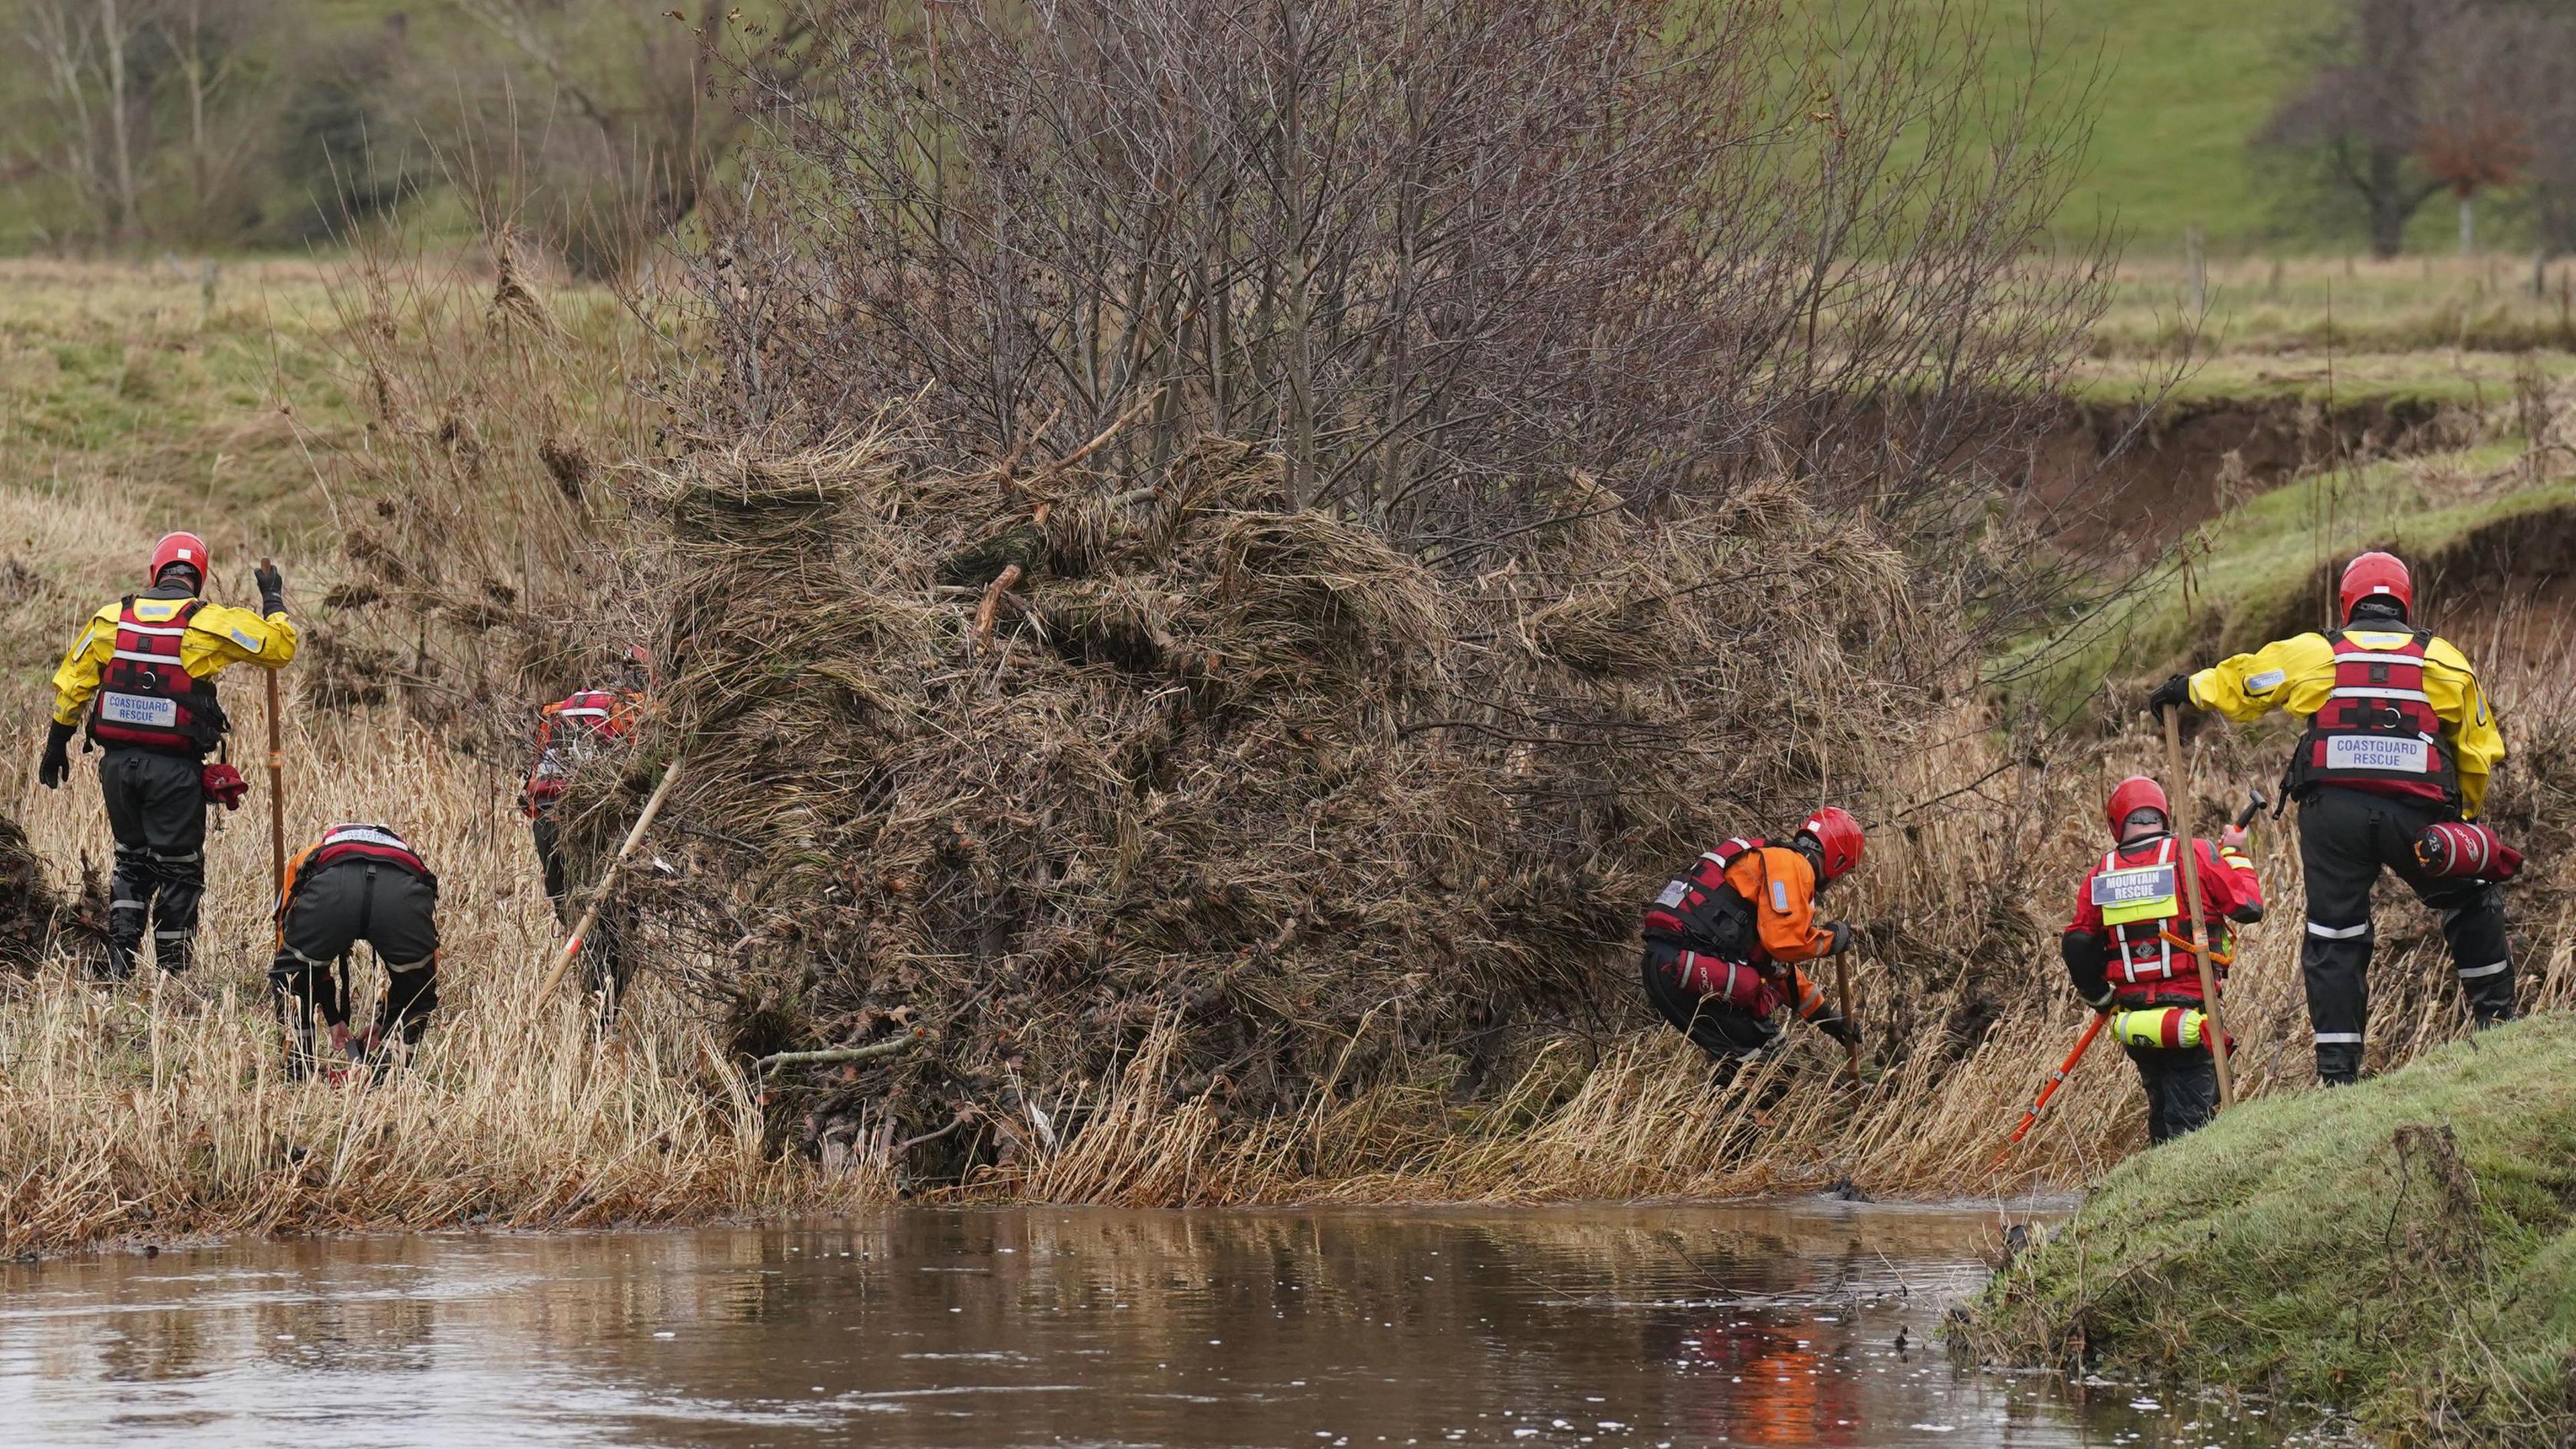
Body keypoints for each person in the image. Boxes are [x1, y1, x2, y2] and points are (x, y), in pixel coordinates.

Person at [2147, 550, 2511, 1085]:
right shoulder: (2447, 662)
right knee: (2472, 901)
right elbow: (2479, 752)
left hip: (2332, 818)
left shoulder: (2316, 652)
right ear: (2405, 602)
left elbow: (2249, 682)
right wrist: (2466, 822)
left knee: (2334, 935)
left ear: (2348, 602)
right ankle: (2498, 1024)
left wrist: (2189, 688)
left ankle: (2338, 1074)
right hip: (2421, 819)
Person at [40, 533, 296, 979]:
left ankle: (120, 964)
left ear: (154, 572)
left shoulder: (110, 620)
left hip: (117, 769)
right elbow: (279, 648)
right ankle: (173, 975)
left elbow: (72, 685)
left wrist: (56, 744)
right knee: (179, 871)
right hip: (175, 774)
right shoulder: (208, 622)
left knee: (131, 861)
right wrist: (272, 599)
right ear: (198, 578)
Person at [2061, 775, 2265, 1143]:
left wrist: (2100, 999)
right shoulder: (2196, 853)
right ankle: (2188, 1187)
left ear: (2115, 822)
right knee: (2190, 1122)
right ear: (2164, 815)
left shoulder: (2100, 874)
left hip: (2134, 1017)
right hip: (2190, 1012)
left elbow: (2078, 944)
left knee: (2162, 1108)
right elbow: (2249, 907)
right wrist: (2234, 854)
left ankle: (2157, 1178)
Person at [1638, 806, 1864, 1073]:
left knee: (1746, 1063)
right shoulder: (1792, 865)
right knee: (1774, 1068)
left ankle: (1726, 1110)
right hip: (1685, 968)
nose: (1836, 881)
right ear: (1837, 861)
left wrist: (1824, 1016)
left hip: (1668, 966)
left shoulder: (1770, 861)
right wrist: (1831, 940)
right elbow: (1783, 943)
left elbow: (1777, 968)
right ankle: (1736, 1112)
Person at [523, 649, 647, 1012]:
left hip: (547, 823)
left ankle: (596, 1003)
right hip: (595, 827)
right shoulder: (632, 712)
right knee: (610, 927)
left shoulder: (568, 707)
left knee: (578, 919)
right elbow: (647, 779)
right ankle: (602, 1019)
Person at [269, 823, 441, 1078]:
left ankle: (298, 1067)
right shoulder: (413, 860)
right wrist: (384, 1022)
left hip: (332, 889)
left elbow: (288, 948)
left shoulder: (309, 854)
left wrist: (332, 1015)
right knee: (416, 990)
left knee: (292, 977)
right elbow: (423, 980)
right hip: (400, 896)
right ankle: (391, 1075)